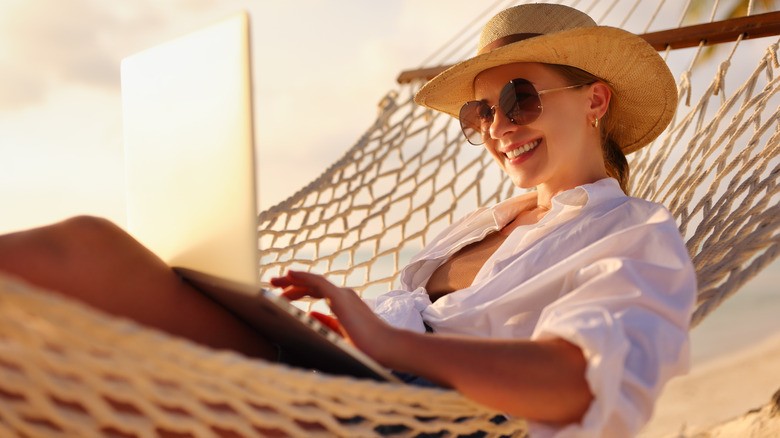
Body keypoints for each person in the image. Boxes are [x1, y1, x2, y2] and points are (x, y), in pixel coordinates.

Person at [0, 4, 695, 437]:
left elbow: (582, 385)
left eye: (518, 99)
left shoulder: (636, 237)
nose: (497, 128)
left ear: (595, 100)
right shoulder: (486, 223)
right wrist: (349, 325)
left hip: (397, 413)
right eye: (480, 113)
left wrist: (392, 347)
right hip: (340, 373)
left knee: (84, 373)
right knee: (91, 251)